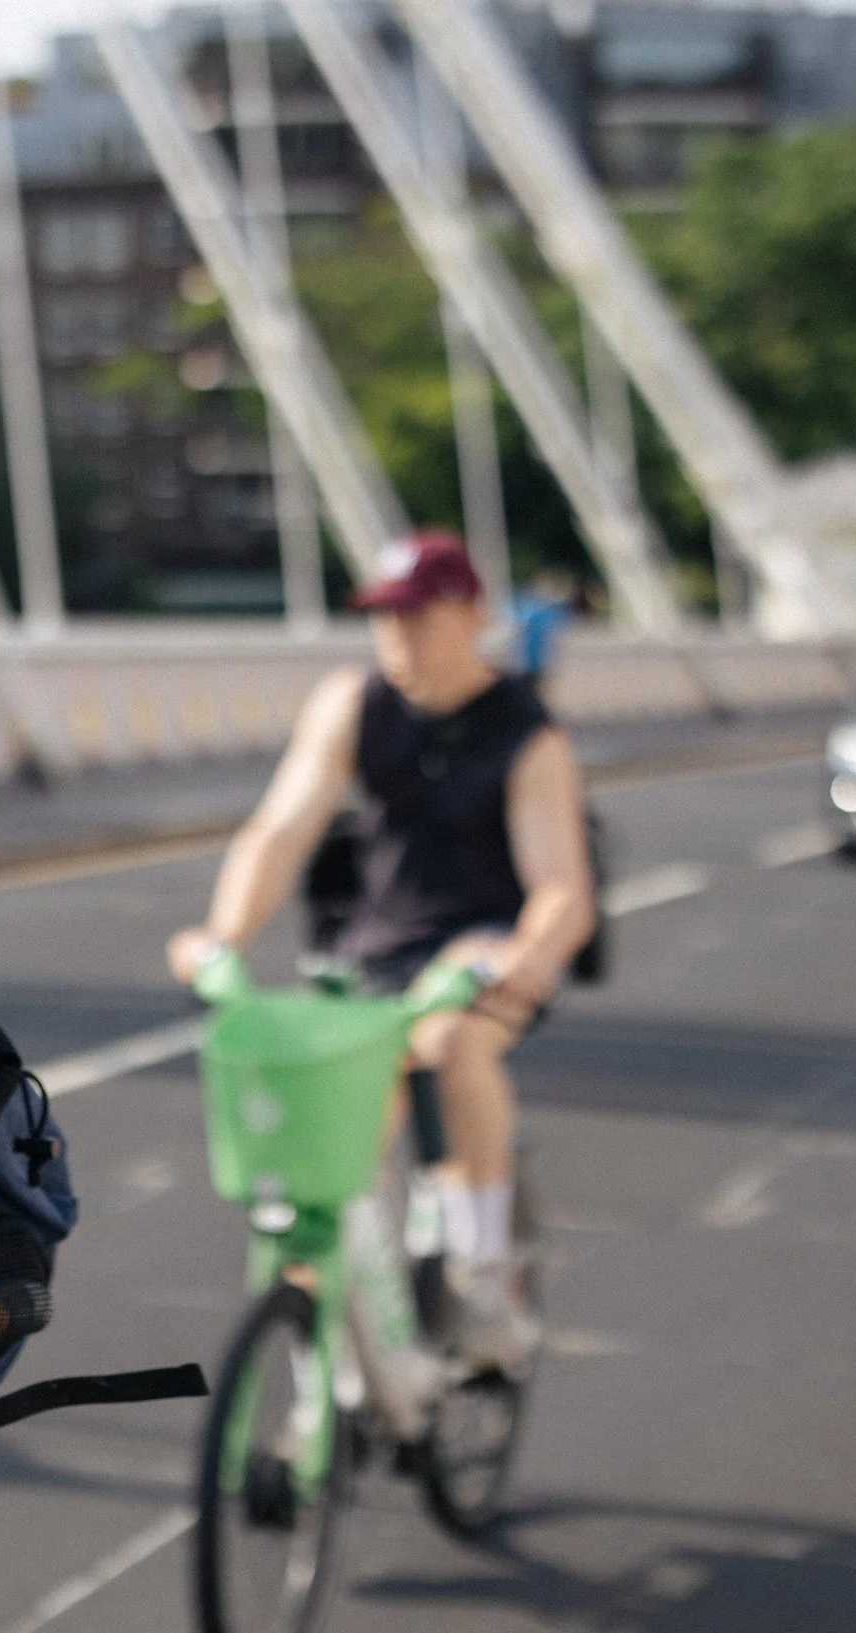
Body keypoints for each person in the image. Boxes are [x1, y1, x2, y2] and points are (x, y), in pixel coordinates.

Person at [167, 531, 596, 1372]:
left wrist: (531, 952)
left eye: (420, 618)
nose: (398, 638)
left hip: (484, 950)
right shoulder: (352, 704)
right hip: (372, 950)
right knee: (320, 1152)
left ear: (473, 616)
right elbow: (280, 829)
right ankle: (316, 1387)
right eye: (385, 619)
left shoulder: (528, 735)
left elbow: (563, 886)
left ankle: (483, 1273)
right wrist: (223, 936)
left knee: (446, 1043)